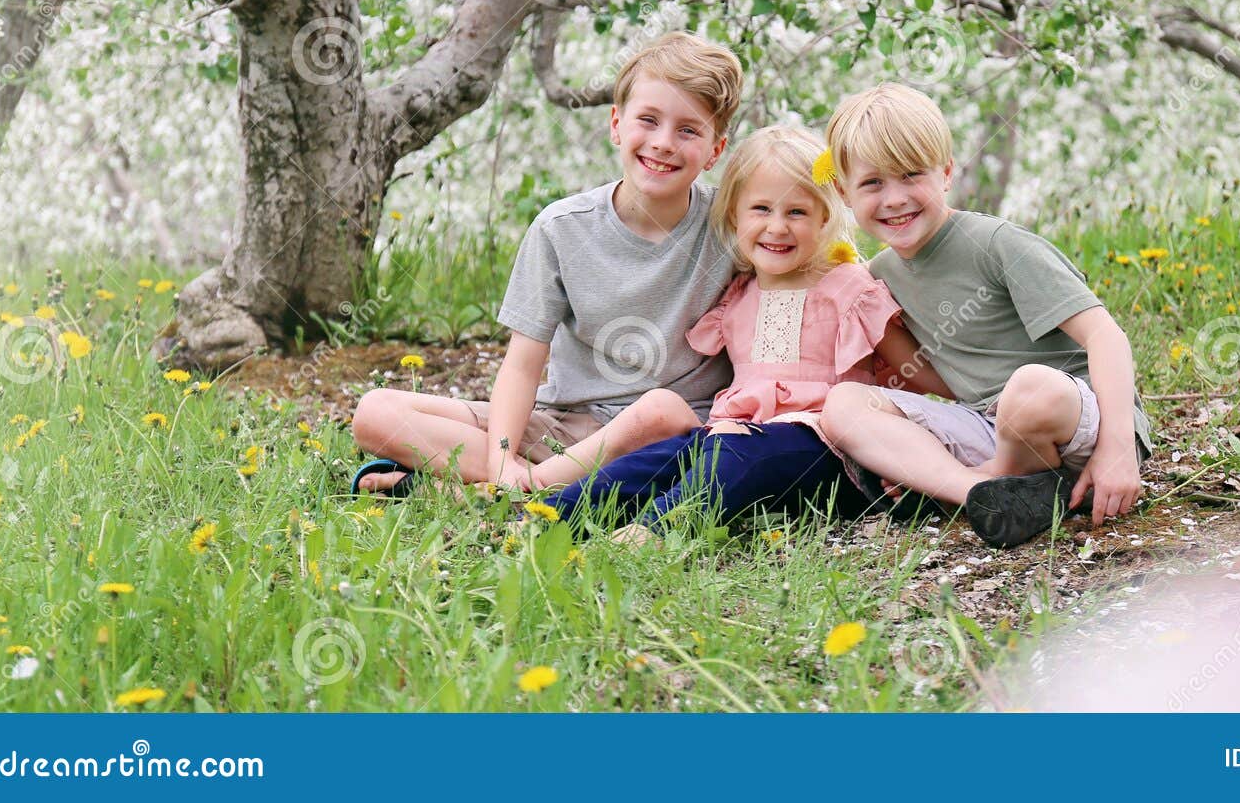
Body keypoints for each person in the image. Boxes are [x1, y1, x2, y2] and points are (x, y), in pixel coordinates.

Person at [349, 32, 744, 495]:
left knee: (661, 409)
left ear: (716, 150)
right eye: (649, 120)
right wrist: (500, 456)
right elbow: (522, 366)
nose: (663, 143)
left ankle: (505, 486)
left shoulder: (733, 226)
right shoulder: (562, 228)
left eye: (688, 130)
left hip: (669, 434)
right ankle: (519, 480)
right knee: (375, 412)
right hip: (565, 427)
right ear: (616, 124)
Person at [549, 125, 938, 533]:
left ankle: (657, 530)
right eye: (761, 209)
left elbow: (912, 379)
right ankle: (551, 518)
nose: (777, 227)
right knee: (660, 460)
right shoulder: (737, 298)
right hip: (732, 438)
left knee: (734, 456)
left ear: (825, 216)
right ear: (734, 214)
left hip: (832, 454)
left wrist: (905, 454)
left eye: (797, 212)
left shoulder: (850, 288)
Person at [816, 83, 1154, 548]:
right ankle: (980, 492)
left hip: (1078, 418)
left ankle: (978, 483)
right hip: (991, 427)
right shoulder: (880, 277)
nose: (894, 199)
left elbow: (1105, 336)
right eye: (873, 183)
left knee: (1028, 389)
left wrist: (1118, 447)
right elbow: (944, 382)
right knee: (844, 405)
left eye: (912, 175)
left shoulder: (996, 245)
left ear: (947, 173)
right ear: (843, 191)